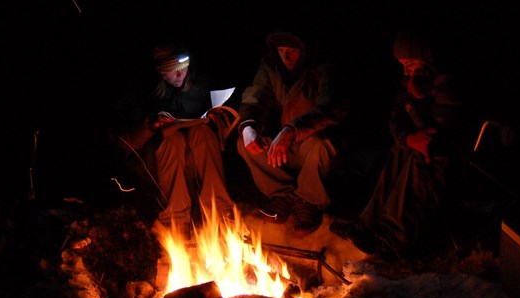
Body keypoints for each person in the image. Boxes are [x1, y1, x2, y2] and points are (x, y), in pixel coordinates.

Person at [329, 28, 484, 259]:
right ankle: (365, 226)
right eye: (402, 65)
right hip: (429, 143)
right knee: (402, 148)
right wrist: (409, 137)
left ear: (426, 59)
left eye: (409, 64)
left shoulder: (449, 83)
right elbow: (396, 117)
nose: (405, 71)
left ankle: (391, 239)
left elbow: (440, 133)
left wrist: (416, 101)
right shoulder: (413, 79)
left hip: (455, 155)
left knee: (422, 156)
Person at [108, 41, 236, 237]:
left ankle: (221, 213)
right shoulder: (143, 89)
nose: (180, 75)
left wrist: (215, 119)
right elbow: (125, 136)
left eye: (183, 69)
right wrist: (150, 126)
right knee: (173, 139)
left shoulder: (199, 82)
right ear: (160, 71)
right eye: (172, 71)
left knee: (203, 134)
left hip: (196, 137)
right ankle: (176, 220)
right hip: (162, 147)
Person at [236, 30, 351, 237]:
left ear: (304, 51)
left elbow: (330, 107)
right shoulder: (271, 67)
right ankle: (283, 196)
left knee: (320, 143)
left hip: (313, 144)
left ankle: (308, 201)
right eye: (281, 51)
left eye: (292, 51)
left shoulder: (324, 68)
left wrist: (292, 130)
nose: (286, 57)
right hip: (284, 145)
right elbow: (256, 96)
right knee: (245, 143)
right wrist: (248, 126)